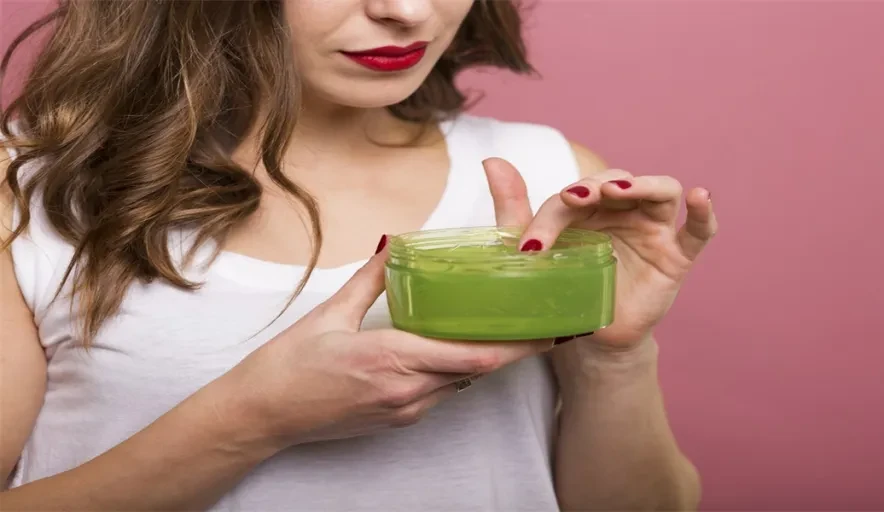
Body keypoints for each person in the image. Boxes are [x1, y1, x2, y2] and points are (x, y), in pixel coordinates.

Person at [0, 1, 716, 510]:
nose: (408, 11)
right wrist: (253, 417)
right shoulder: (30, 194)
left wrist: (614, 357)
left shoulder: (550, 179)